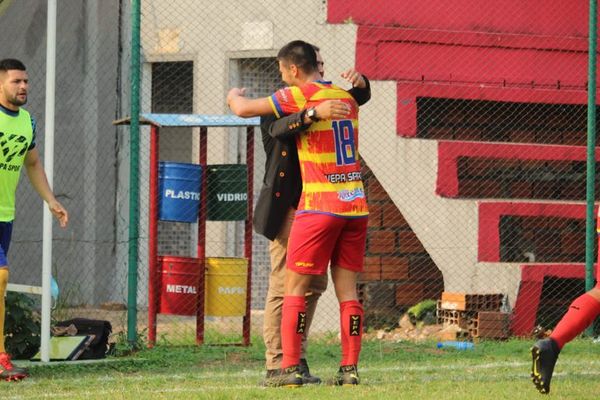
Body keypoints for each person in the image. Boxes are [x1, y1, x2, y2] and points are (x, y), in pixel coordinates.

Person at [228, 40, 369, 387]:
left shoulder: (301, 94)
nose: (322, 69)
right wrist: (313, 114)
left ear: (292, 69)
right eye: (318, 63)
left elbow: (243, 109)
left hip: (318, 206)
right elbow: (276, 127)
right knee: (337, 292)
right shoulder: (341, 98)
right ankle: (338, 367)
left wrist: (233, 96)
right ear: (310, 66)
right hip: (352, 204)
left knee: (297, 289)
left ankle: (291, 364)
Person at [0, 59, 69, 381]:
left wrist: (51, 200)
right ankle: (1, 356)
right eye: (16, 81)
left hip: (5, 215)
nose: (23, 86)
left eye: (26, 81)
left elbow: (32, 164)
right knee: (1, 276)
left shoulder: (27, 122)